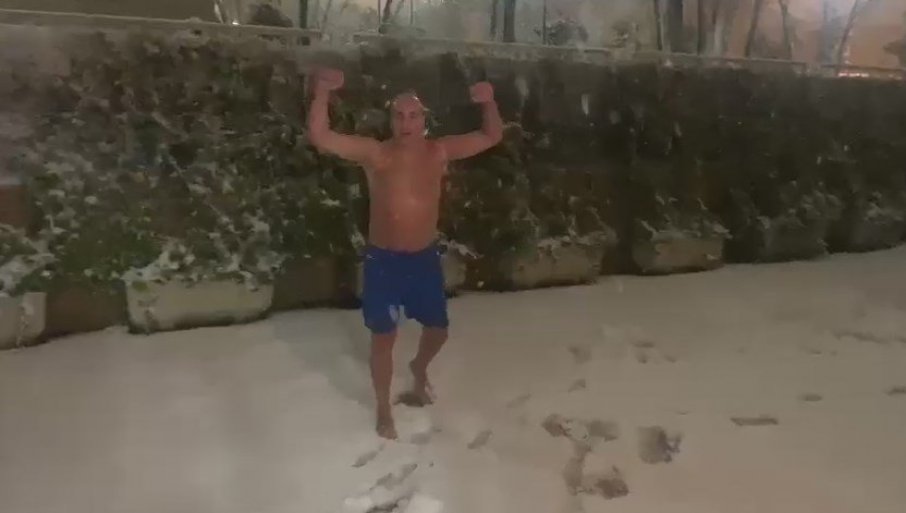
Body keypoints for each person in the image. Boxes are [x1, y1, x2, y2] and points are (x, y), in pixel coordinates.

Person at [307, 68, 503, 439]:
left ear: (424, 120)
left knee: (438, 331)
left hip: (423, 260)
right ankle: (384, 408)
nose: (406, 122)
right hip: (384, 263)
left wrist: (489, 102)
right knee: (384, 338)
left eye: (413, 116)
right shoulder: (376, 154)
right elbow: (321, 135)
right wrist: (321, 93)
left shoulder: (438, 151)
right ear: (391, 120)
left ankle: (418, 367)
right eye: (399, 116)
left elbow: (491, 135)